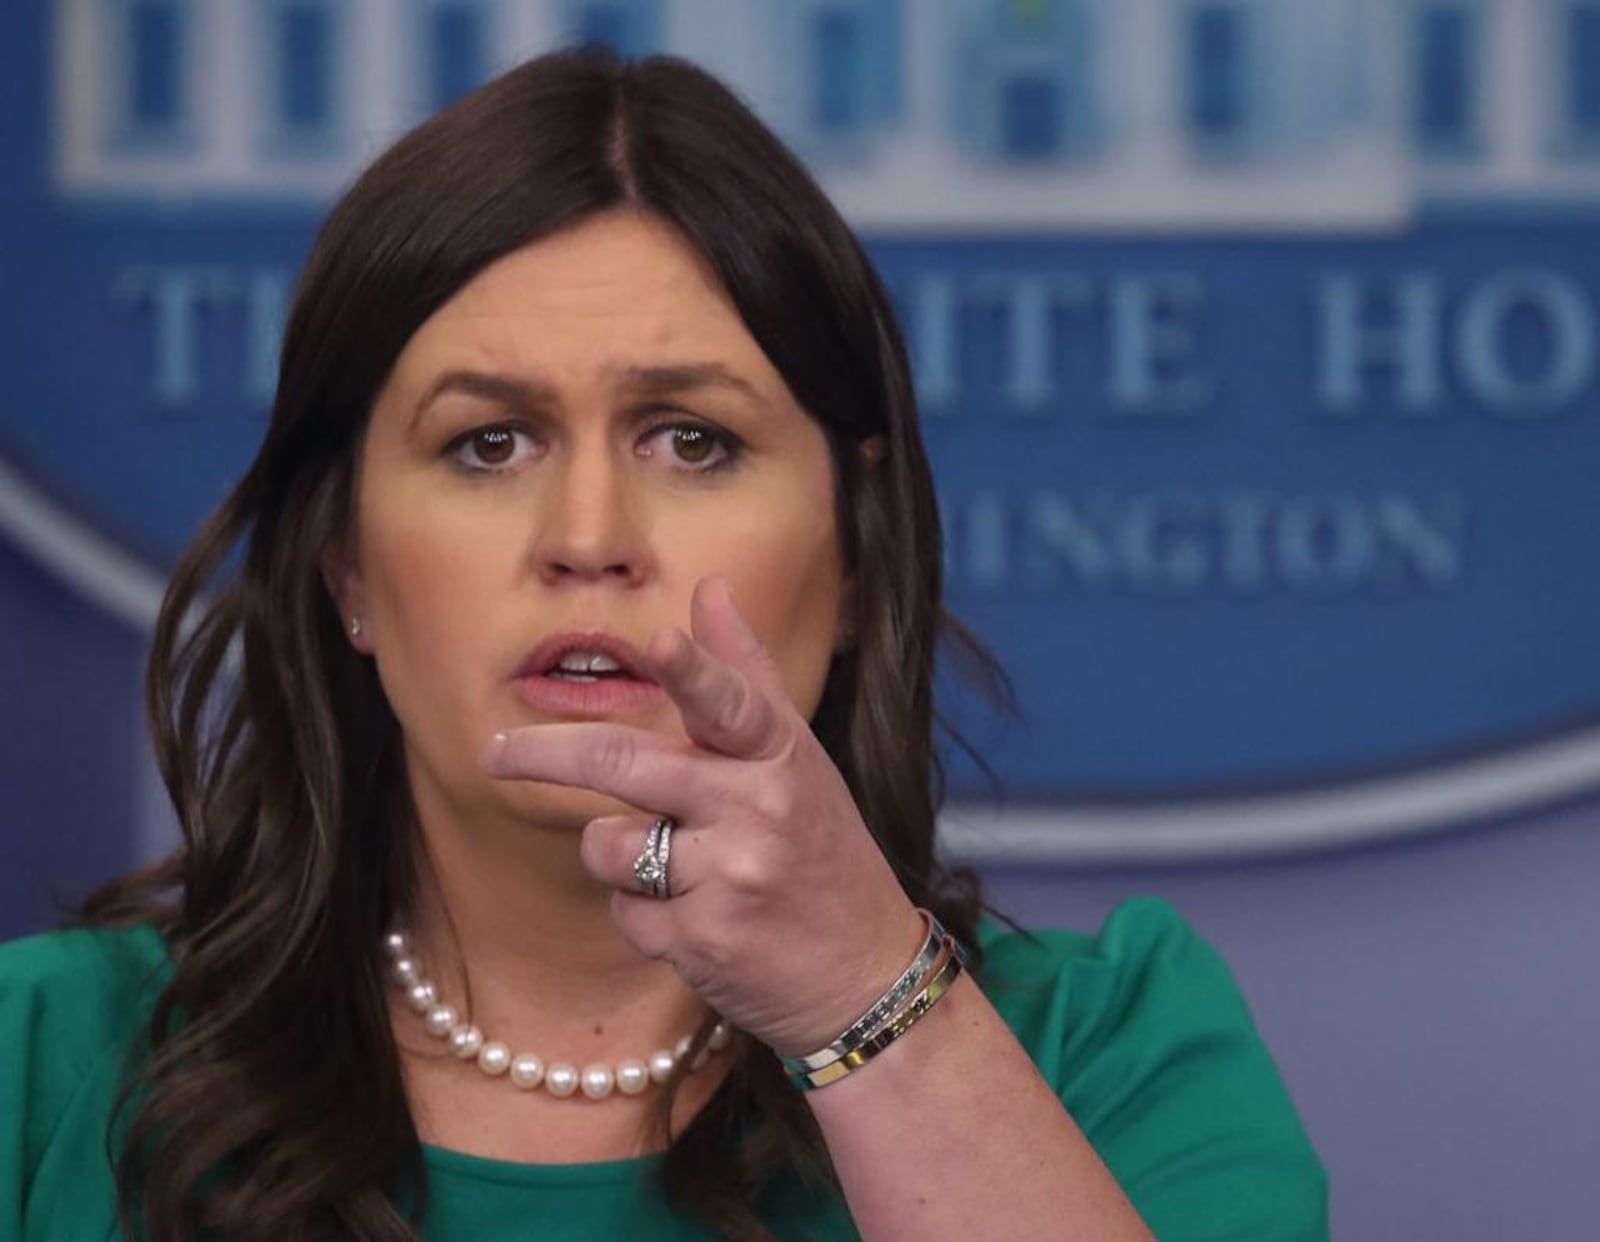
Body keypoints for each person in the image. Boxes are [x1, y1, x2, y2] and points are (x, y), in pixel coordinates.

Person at [0, 49, 1327, 1242]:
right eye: (488, 442)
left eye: (693, 440)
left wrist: (868, 1006)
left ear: (857, 558)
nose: (588, 535)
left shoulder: (1108, 1052)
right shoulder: (43, 1057)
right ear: (349, 568)